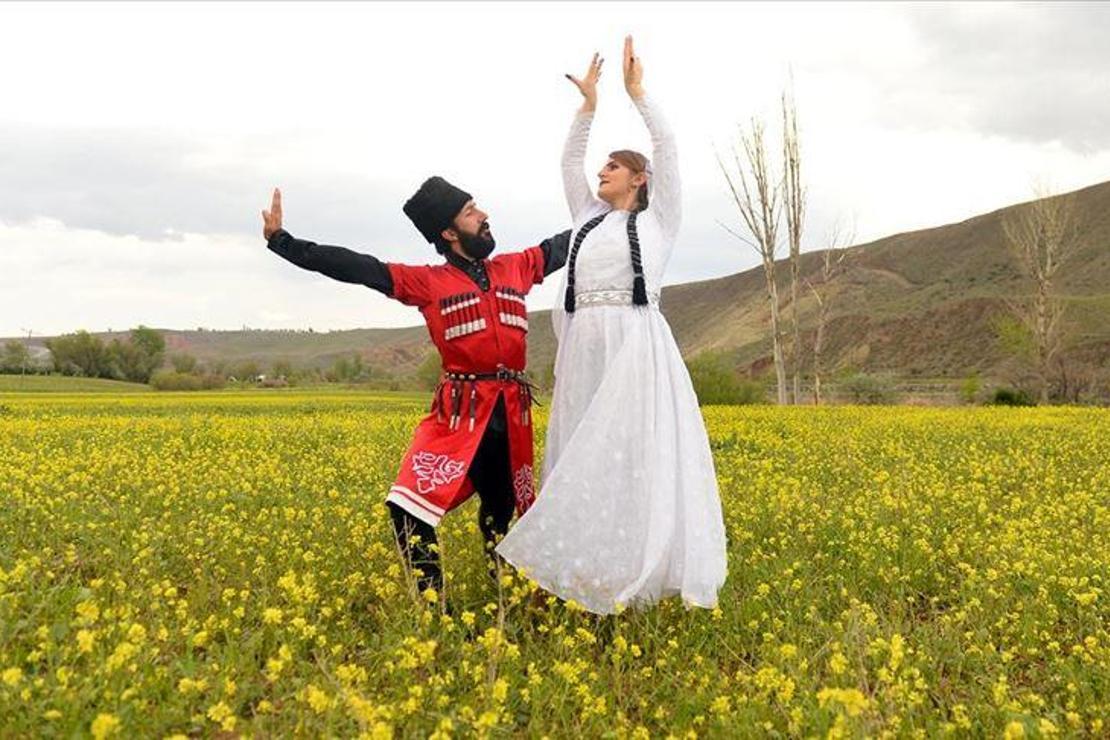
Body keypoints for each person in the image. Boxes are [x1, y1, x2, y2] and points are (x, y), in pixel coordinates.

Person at [495, 37, 728, 615]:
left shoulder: (660, 224)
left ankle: (637, 575)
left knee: (630, 455)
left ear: (638, 179)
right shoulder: (585, 218)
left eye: (613, 165)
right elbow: (569, 163)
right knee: (579, 454)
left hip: (634, 348)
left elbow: (669, 149)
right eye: (604, 165)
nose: (601, 171)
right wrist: (589, 109)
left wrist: (638, 94)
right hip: (583, 351)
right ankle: (584, 568)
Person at [260, 179, 570, 600]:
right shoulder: (427, 282)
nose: (484, 216)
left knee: (499, 508)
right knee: (405, 509)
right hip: (458, 415)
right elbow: (358, 267)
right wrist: (283, 242)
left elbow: (563, 245)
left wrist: (616, 210)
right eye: (471, 212)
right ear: (448, 232)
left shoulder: (515, 267)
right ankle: (433, 606)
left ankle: (505, 595)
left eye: (478, 209)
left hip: (509, 415)